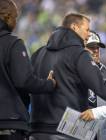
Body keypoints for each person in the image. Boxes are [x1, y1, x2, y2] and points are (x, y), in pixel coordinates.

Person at [29, 13, 106, 140]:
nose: (88, 34)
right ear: (75, 27)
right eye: (87, 30)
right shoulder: (78, 53)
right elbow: (101, 87)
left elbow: (27, 85)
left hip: (36, 128)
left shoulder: (38, 53)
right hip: (67, 129)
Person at [0, 0, 56, 140]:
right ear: (7, 17)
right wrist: (49, 84)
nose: (16, 21)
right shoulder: (13, 43)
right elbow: (24, 81)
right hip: (9, 122)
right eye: (15, 17)